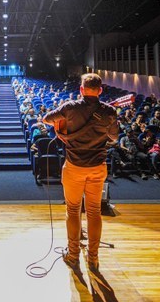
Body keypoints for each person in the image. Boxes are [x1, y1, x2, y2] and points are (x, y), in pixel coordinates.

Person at [42, 73, 118, 272]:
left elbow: (46, 119)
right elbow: (114, 137)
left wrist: (63, 125)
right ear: (100, 90)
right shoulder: (109, 112)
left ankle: (73, 254)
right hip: (97, 167)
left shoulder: (70, 108)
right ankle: (93, 258)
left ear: (81, 90)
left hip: (74, 166)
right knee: (94, 211)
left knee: (73, 210)